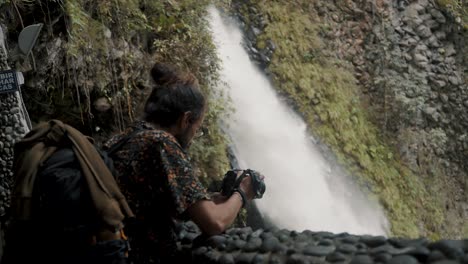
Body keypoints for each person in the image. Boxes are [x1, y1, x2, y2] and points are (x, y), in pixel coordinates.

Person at [104, 63, 260, 263]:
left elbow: (145, 199)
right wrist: (242, 193)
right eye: (198, 128)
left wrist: (210, 200)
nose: (195, 135)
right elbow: (215, 223)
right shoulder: (162, 144)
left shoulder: (126, 137)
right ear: (186, 119)